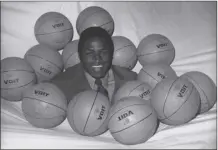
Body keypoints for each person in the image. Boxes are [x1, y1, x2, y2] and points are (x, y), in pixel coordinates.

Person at [50, 27, 137, 105]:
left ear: (111, 53)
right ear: (80, 56)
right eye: (90, 53)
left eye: (103, 52)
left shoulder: (132, 80)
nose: (97, 58)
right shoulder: (59, 86)